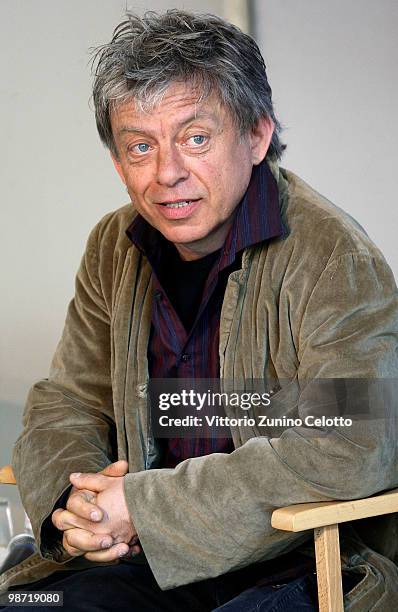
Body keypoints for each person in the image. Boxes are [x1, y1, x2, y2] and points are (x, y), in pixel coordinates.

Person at [1, 9, 398, 611]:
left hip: (301, 563)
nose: (167, 173)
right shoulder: (113, 245)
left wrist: (141, 507)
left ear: (257, 136)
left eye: (195, 138)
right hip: (144, 562)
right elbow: (68, 401)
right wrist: (76, 507)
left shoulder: (332, 253)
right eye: (140, 146)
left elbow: (352, 440)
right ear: (117, 161)